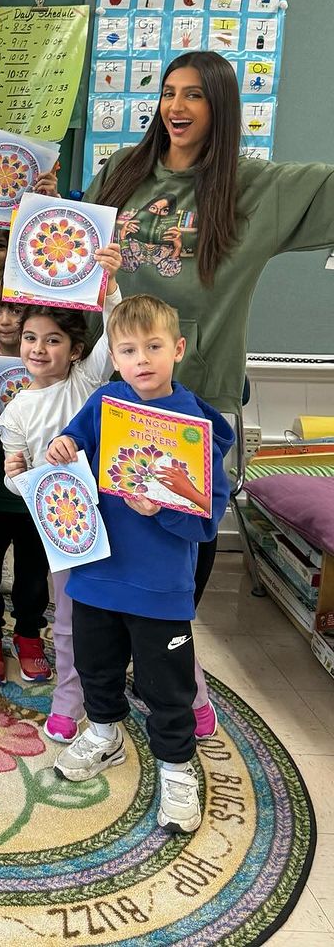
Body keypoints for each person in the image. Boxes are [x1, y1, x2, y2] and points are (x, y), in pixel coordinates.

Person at [88, 50, 334, 611]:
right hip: (110, 375)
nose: (176, 105)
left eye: (194, 94)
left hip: (197, 385)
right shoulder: (123, 170)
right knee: (117, 509)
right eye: (169, 92)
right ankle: (110, 633)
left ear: (219, 105)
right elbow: (77, 259)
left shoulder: (253, 186)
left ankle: (172, 635)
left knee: (183, 516)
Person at [48, 294, 233, 835]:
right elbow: (75, 441)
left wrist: (164, 509)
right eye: (128, 350)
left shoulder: (196, 423)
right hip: (96, 573)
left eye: (154, 346)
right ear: (116, 357)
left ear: (177, 349)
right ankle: (103, 734)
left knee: (167, 684)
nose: (142, 359)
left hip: (158, 586)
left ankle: (176, 768)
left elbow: (205, 522)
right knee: (96, 665)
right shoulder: (105, 402)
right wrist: (62, 445)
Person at [0, 253, 123, 717]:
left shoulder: (86, 379)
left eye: (52, 340)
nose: (38, 348)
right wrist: (28, 478)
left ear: (75, 350)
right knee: (65, 614)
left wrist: (110, 283)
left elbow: (115, 334)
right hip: (65, 526)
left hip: (114, 512)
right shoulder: (14, 412)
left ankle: (152, 683)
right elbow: (14, 481)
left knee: (120, 607)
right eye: (30, 338)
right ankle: (70, 695)